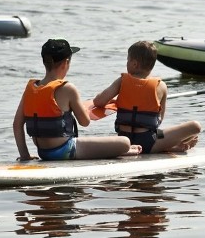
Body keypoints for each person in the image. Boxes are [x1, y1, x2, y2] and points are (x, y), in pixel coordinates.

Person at [13, 39, 141, 161]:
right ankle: (121, 150)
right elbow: (85, 122)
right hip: (65, 150)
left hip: (44, 152)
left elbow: (17, 125)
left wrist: (25, 155)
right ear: (66, 62)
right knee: (124, 142)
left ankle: (116, 150)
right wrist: (83, 109)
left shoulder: (31, 89)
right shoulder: (68, 88)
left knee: (120, 143)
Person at [93, 41, 201, 154]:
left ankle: (169, 146)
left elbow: (98, 102)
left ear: (134, 64)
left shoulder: (122, 81)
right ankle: (168, 146)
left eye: (128, 60)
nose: (127, 63)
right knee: (195, 126)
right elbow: (159, 119)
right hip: (149, 143)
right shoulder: (161, 86)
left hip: (125, 140)